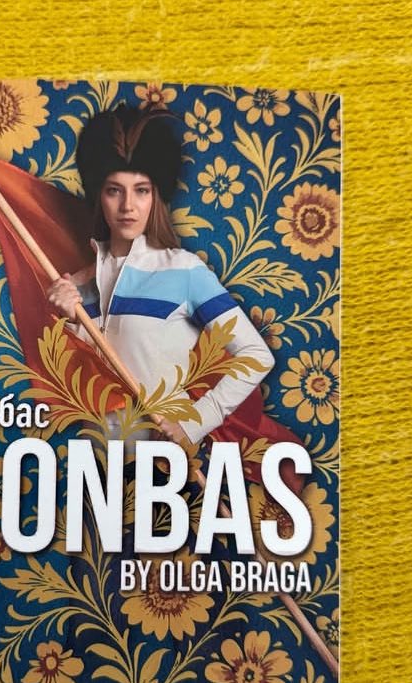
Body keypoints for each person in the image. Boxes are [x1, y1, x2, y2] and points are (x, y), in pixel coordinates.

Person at [47, 105, 275, 449]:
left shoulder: (184, 271)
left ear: (156, 196)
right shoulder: (76, 285)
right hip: (95, 463)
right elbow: (76, 382)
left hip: (166, 462)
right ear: (99, 196)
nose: (128, 205)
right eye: (114, 190)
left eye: (141, 190)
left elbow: (256, 354)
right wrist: (66, 320)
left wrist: (196, 422)